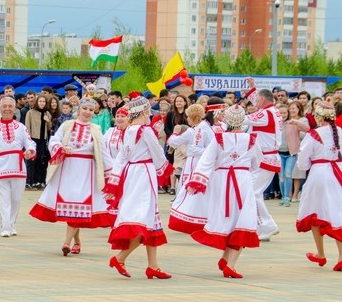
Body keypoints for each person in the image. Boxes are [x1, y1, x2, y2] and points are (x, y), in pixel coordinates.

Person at [185, 104, 263, 278]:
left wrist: (197, 181)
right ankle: (231, 265)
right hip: (242, 180)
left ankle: (225, 258)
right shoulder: (251, 139)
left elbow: (206, 161)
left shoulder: (219, 138)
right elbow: (257, 163)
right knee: (244, 220)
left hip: (221, 180)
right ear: (242, 121)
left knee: (228, 219)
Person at [29, 97, 112, 256]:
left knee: (79, 204)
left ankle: (67, 242)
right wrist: (61, 147)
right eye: (85, 109)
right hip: (66, 169)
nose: (87, 112)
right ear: (78, 110)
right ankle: (77, 241)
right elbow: (54, 140)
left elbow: (104, 154)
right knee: (71, 205)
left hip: (86, 172)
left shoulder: (95, 129)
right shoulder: (67, 125)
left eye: (90, 110)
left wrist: (114, 174)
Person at [105, 94, 174, 279]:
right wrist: (163, 169)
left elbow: (121, 157)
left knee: (150, 219)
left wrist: (115, 181)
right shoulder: (146, 130)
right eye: (148, 112)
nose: (150, 115)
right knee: (144, 220)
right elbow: (157, 152)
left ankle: (153, 266)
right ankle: (120, 258)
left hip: (132, 174)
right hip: (144, 172)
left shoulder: (127, 130)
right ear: (143, 112)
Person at [0, 95, 36, 237]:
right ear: (0, 108)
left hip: (18, 166)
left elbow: (30, 143)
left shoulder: (21, 127)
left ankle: (12, 224)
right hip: (1, 166)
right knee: (5, 198)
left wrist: (30, 151)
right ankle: (5, 226)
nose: (7, 109)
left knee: (16, 198)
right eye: (5, 106)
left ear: (14, 109)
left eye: (10, 106)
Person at [296, 100, 342, 271]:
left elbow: (302, 160)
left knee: (315, 212)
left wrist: (307, 167)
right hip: (338, 173)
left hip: (319, 173)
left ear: (318, 116)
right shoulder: (340, 132)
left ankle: (321, 254)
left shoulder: (314, 134)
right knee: (338, 212)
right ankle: (340, 256)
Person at [243, 77, 283, 241]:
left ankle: (268, 225)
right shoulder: (271, 111)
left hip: (265, 158)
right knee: (253, 192)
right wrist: (253, 88)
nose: (254, 103)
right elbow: (257, 106)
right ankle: (262, 226)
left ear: (263, 100)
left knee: (252, 192)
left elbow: (244, 119)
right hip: (265, 157)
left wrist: (227, 114)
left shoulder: (266, 113)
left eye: (257, 100)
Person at [167, 104, 216, 234]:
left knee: (185, 188)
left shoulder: (194, 130)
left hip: (194, 163)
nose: (187, 119)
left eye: (189, 117)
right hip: (204, 163)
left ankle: (185, 218)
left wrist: (175, 133)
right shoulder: (207, 127)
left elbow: (173, 142)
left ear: (193, 117)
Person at [102, 105, 129, 227]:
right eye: (117, 116)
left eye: (123, 116)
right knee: (109, 194)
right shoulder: (110, 131)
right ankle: (108, 218)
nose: (119, 118)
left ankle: (122, 218)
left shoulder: (131, 132)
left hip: (125, 167)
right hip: (109, 166)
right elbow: (101, 145)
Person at [25, 93, 53, 189]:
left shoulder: (47, 113)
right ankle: (29, 181)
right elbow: (27, 126)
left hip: (42, 139)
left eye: (44, 101)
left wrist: (47, 121)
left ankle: (37, 180)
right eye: (40, 101)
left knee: (40, 161)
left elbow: (49, 128)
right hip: (33, 138)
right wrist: (28, 139)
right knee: (31, 161)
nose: (42, 103)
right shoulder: (31, 112)